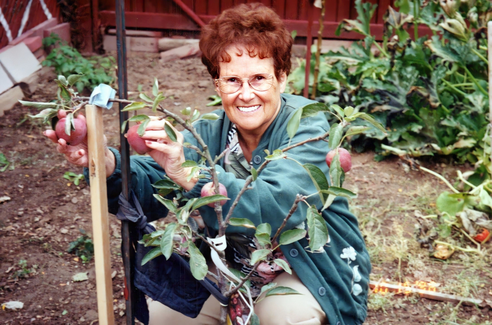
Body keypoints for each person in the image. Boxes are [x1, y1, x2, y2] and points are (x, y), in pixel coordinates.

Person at [45, 3, 370, 325]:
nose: (245, 94)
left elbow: (273, 205)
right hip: (232, 271)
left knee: (282, 316)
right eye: (232, 80)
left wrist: (188, 172)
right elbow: (155, 186)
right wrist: (108, 163)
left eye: (259, 78)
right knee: (163, 316)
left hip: (308, 272)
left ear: (281, 78)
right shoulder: (210, 132)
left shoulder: (307, 126)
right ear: (217, 84)